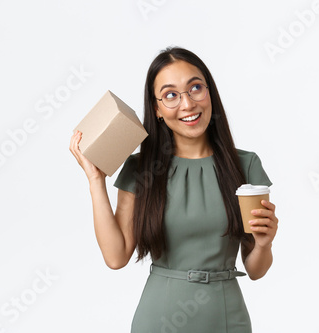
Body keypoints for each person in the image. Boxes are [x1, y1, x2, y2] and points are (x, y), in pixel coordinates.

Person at [69, 46, 279, 332]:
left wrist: (264, 244)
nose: (188, 104)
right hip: (160, 318)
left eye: (195, 88)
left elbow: (255, 269)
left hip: (227, 318)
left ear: (210, 93)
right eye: (171, 95)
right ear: (156, 108)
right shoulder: (141, 169)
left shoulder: (245, 165)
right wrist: (96, 180)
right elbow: (116, 257)